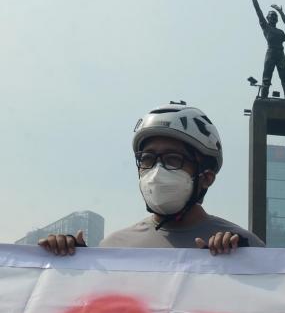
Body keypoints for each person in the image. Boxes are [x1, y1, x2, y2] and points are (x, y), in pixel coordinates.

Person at [38, 104, 264, 255]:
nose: (157, 170)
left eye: (173, 159)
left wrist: (239, 266)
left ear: (206, 178)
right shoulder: (113, 248)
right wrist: (73, 267)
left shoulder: (244, 245)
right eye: (147, 159)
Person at [243, 0, 285, 99]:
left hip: (281, 54)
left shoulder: (281, 32)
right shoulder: (266, 27)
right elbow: (258, 10)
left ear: (277, 20)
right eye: (271, 16)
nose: (273, 17)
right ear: (267, 18)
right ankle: (264, 97)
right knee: (266, 78)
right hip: (271, 53)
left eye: (275, 16)